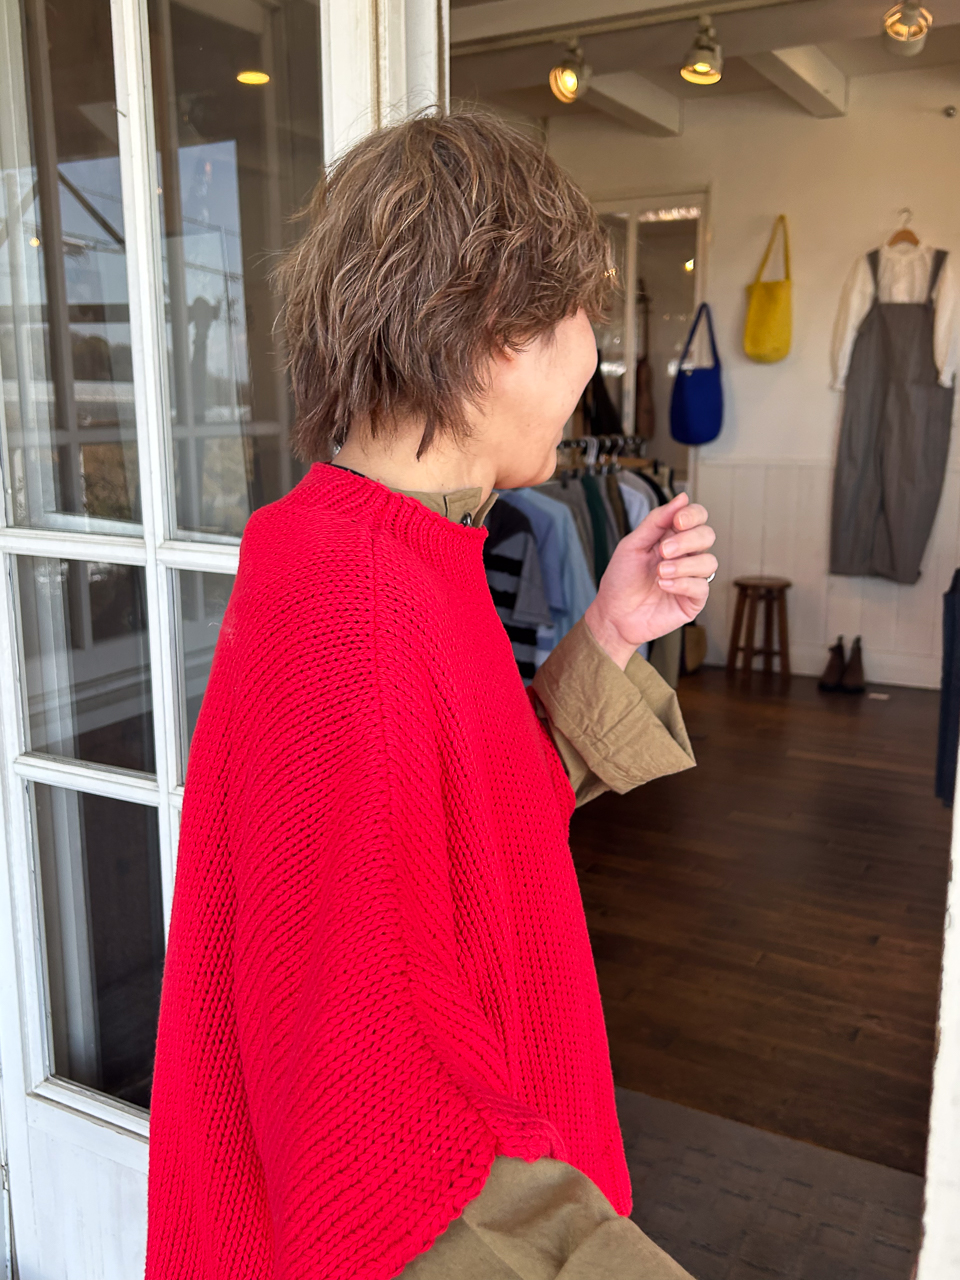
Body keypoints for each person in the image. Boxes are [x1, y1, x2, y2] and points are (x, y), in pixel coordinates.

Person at [144, 109, 717, 1280]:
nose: (591, 356)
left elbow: (472, 824)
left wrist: (609, 627)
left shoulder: (394, 548)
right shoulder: (358, 597)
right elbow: (376, 1121)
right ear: (499, 330)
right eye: (581, 317)